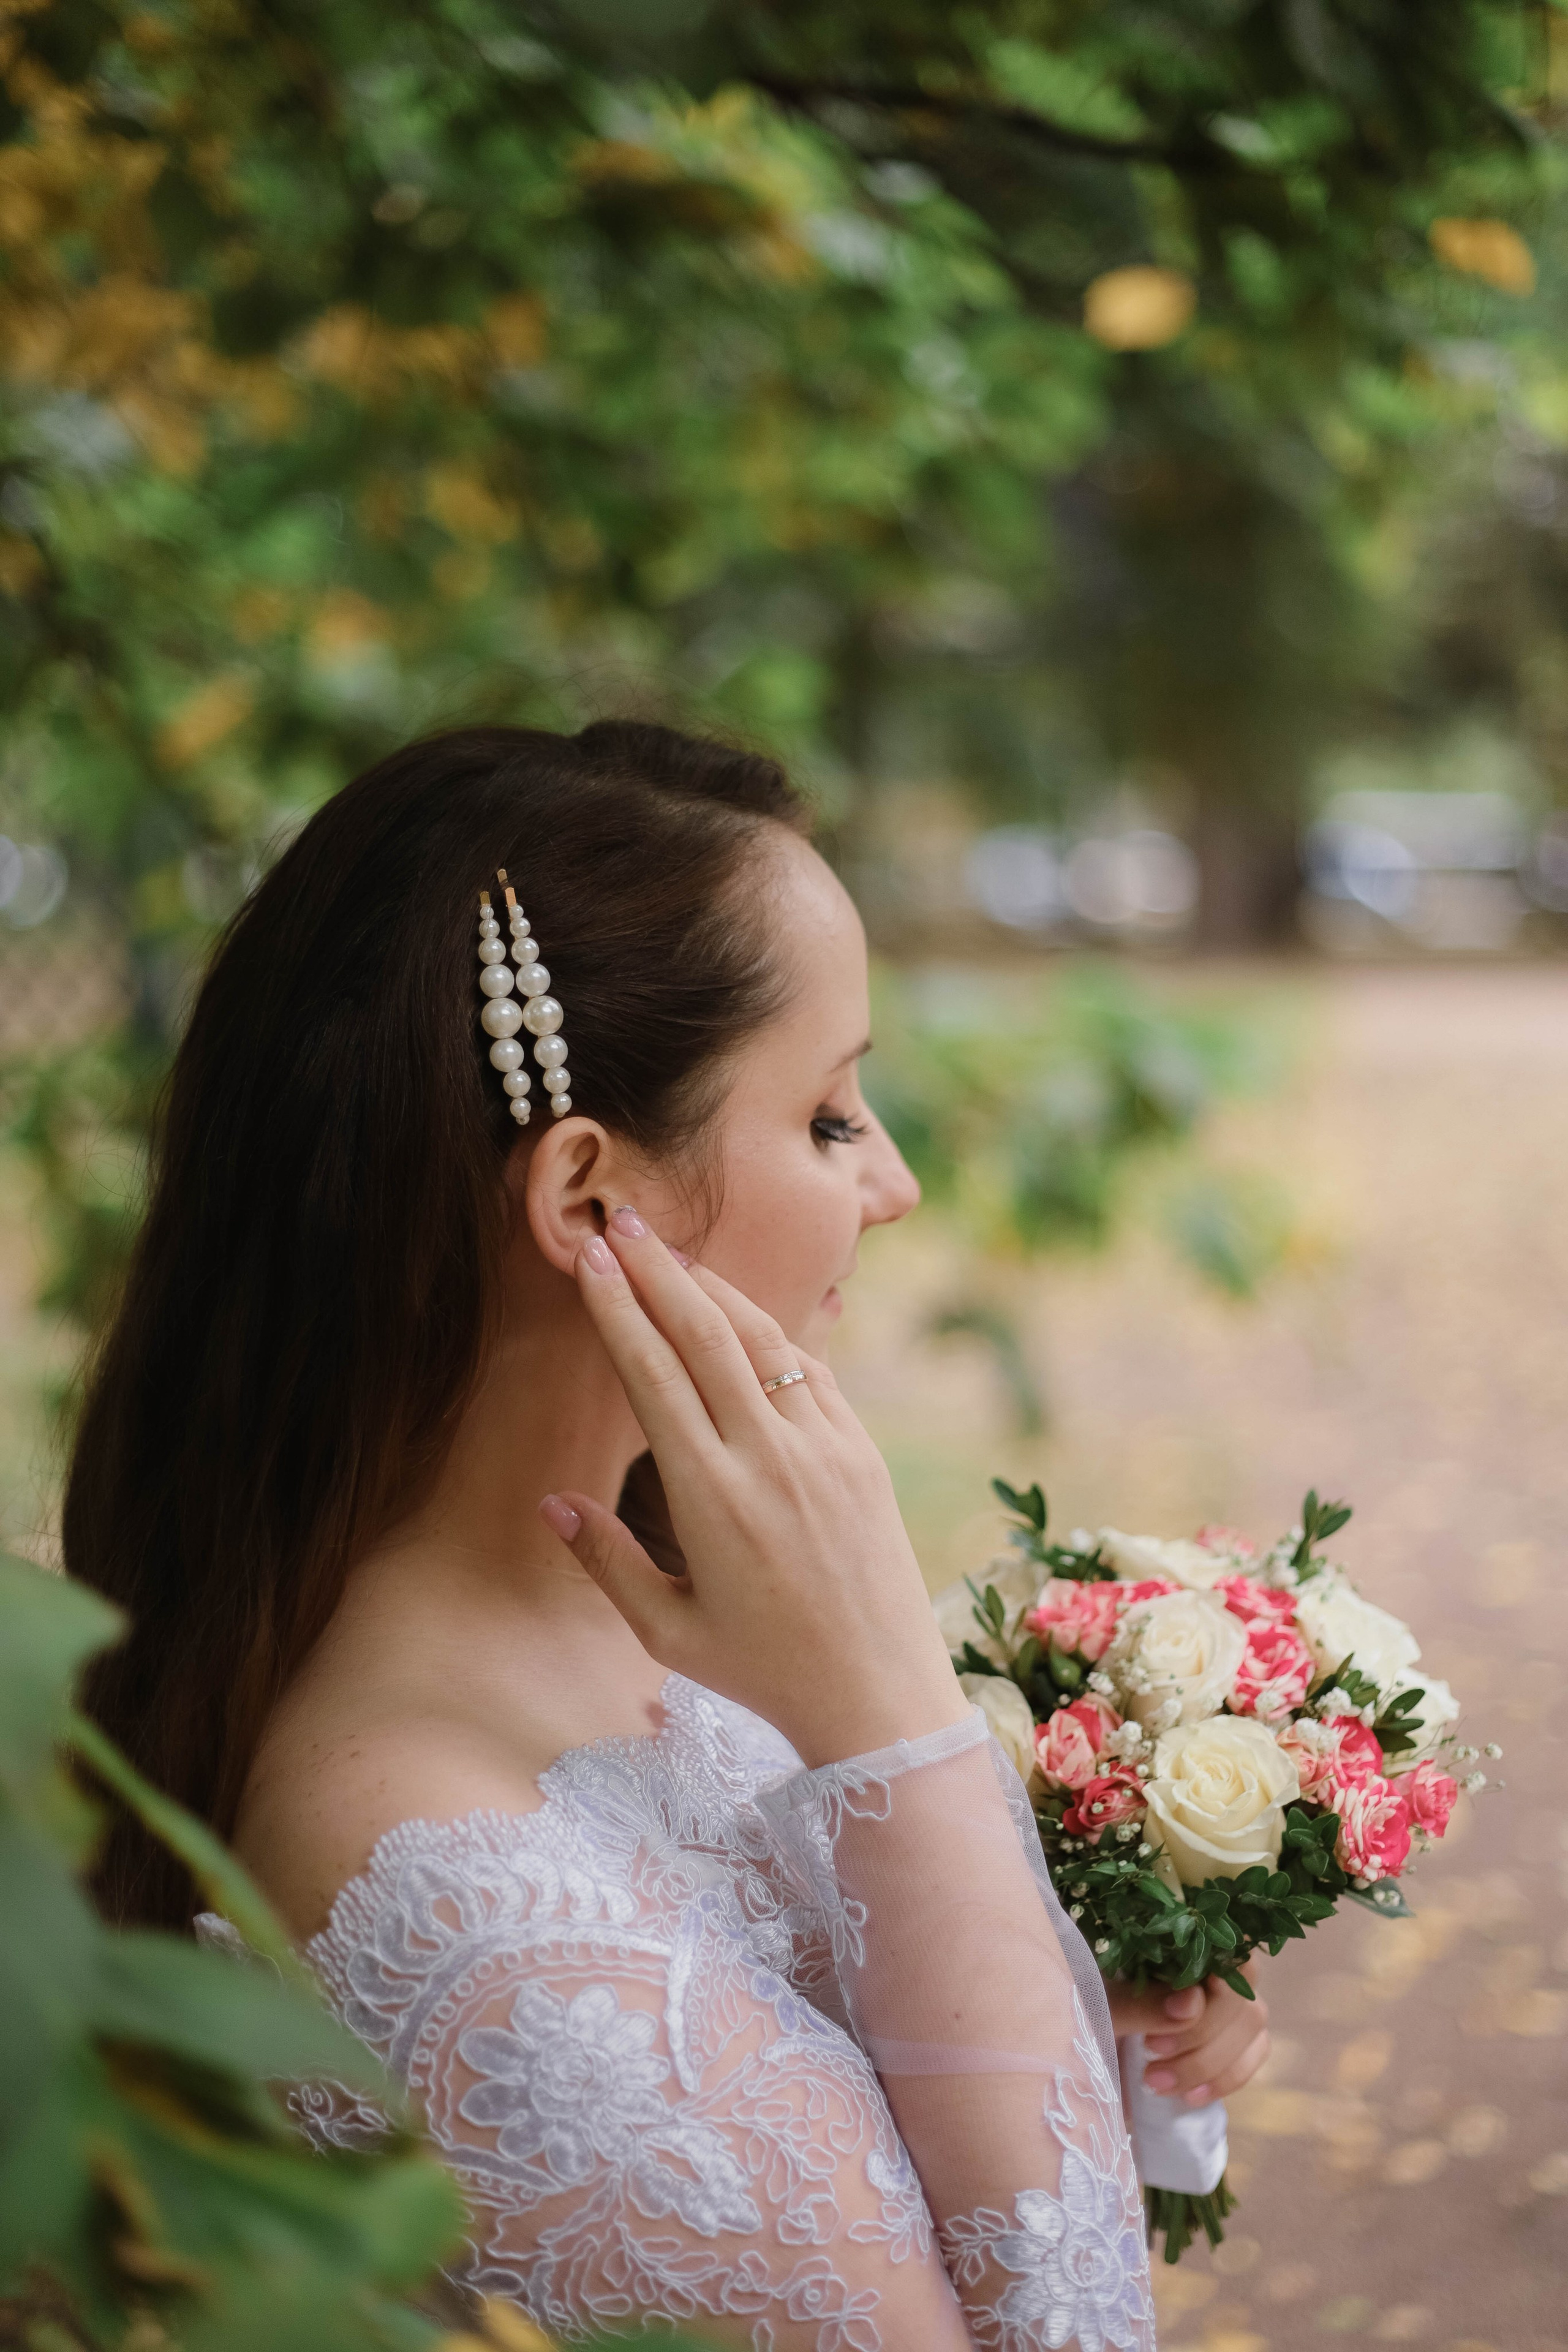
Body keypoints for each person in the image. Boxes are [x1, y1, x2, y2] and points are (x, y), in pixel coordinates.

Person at [69, 722, 1267, 2350]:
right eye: (835, 1117)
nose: (894, 1183)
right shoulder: (458, 1899)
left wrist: (1070, 2004)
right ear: (586, 1199)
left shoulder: (671, 1591)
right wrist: (898, 1726)